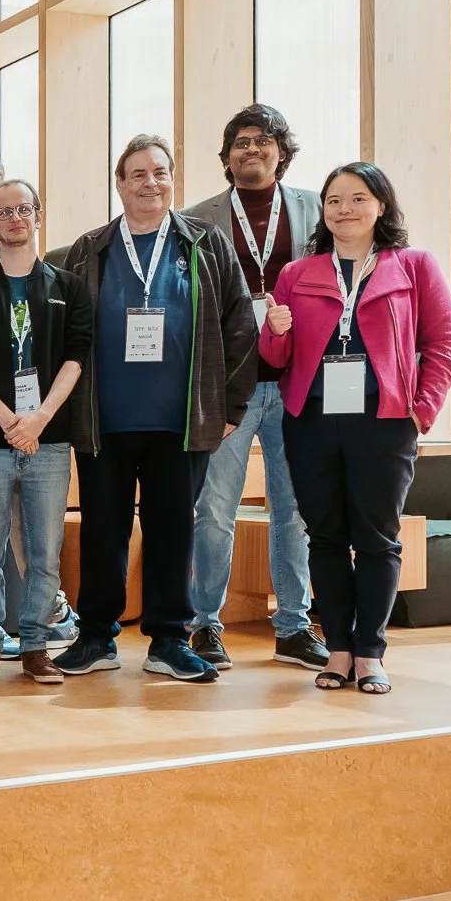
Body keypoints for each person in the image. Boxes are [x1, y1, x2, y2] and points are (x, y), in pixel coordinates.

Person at [48, 135, 256, 685]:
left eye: (159, 172)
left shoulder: (205, 243)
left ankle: (169, 639)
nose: (149, 183)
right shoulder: (90, 248)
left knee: (172, 531)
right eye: (137, 174)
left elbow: (240, 326)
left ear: (172, 180)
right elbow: (66, 333)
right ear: (119, 184)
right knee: (103, 531)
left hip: (180, 422)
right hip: (103, 421)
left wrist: (229, 406)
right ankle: (95, 636)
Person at [261, 163, 451, 695]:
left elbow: (442, 343)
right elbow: (277, 358)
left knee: (376, 538)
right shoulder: (297, 274)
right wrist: (275, 333)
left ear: (381, 206)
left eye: (358, 198)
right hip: (312, 420)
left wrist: (423, 409)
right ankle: (339, 650)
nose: (344, 210)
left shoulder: (414, 266)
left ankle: (370, 651)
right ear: (322, 212)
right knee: (323, 536)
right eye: (333, 201)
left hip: (385, 421)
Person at [181, 103, 329, 673]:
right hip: (230, 385)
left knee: (294, 510)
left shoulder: (317, 209)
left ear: (281, 152)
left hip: (298, 384)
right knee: (215, 509)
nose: (251, 149)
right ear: (226, 158)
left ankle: (294, 626)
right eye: (240, 142)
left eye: (263, 140)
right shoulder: (196, 219)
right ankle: (205, 625)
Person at [0, 179, 92, 685]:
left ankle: (35, 644)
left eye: (23, 209)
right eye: (3, 211)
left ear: (38, 215)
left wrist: (39, 419)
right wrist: (10, 420)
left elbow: (76, 357)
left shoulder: (67, 287)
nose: (14, 218)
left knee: (44, 549)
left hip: (49, 440)